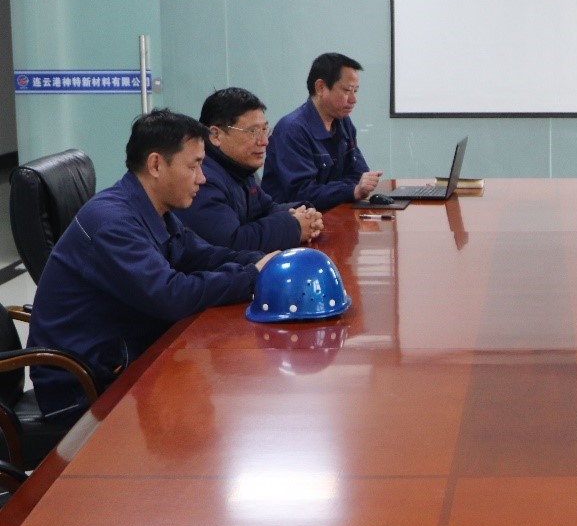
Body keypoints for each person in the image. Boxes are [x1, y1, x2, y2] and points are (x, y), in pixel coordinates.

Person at [28, 110, 277, 425]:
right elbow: (170, 295)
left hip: (123, 356)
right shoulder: (113, 223)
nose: (202, 178)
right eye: (194, 166)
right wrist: (252, 277)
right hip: (83, 388)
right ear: (156, 165)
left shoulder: (151, 208)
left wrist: (262, 261)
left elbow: (201, 255)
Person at [175, 87, 323, 251]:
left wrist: (304, 212)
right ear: (215, 135)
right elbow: (232, 243)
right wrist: (294, 226)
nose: (264, 141)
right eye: (253, 131)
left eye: (264, 130)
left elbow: (266, 209)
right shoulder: (202, 180)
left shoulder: (239, 168)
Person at [262, 52, 382, 210]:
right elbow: (302, 193)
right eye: (347, 91)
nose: (353, 100)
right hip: (295, 219)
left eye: (355, 91)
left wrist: (348, 189)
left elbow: (358, 173)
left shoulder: (343, 122)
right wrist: (351, 190)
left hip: (333, 211)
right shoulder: (292, 129)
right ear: (320, 87)